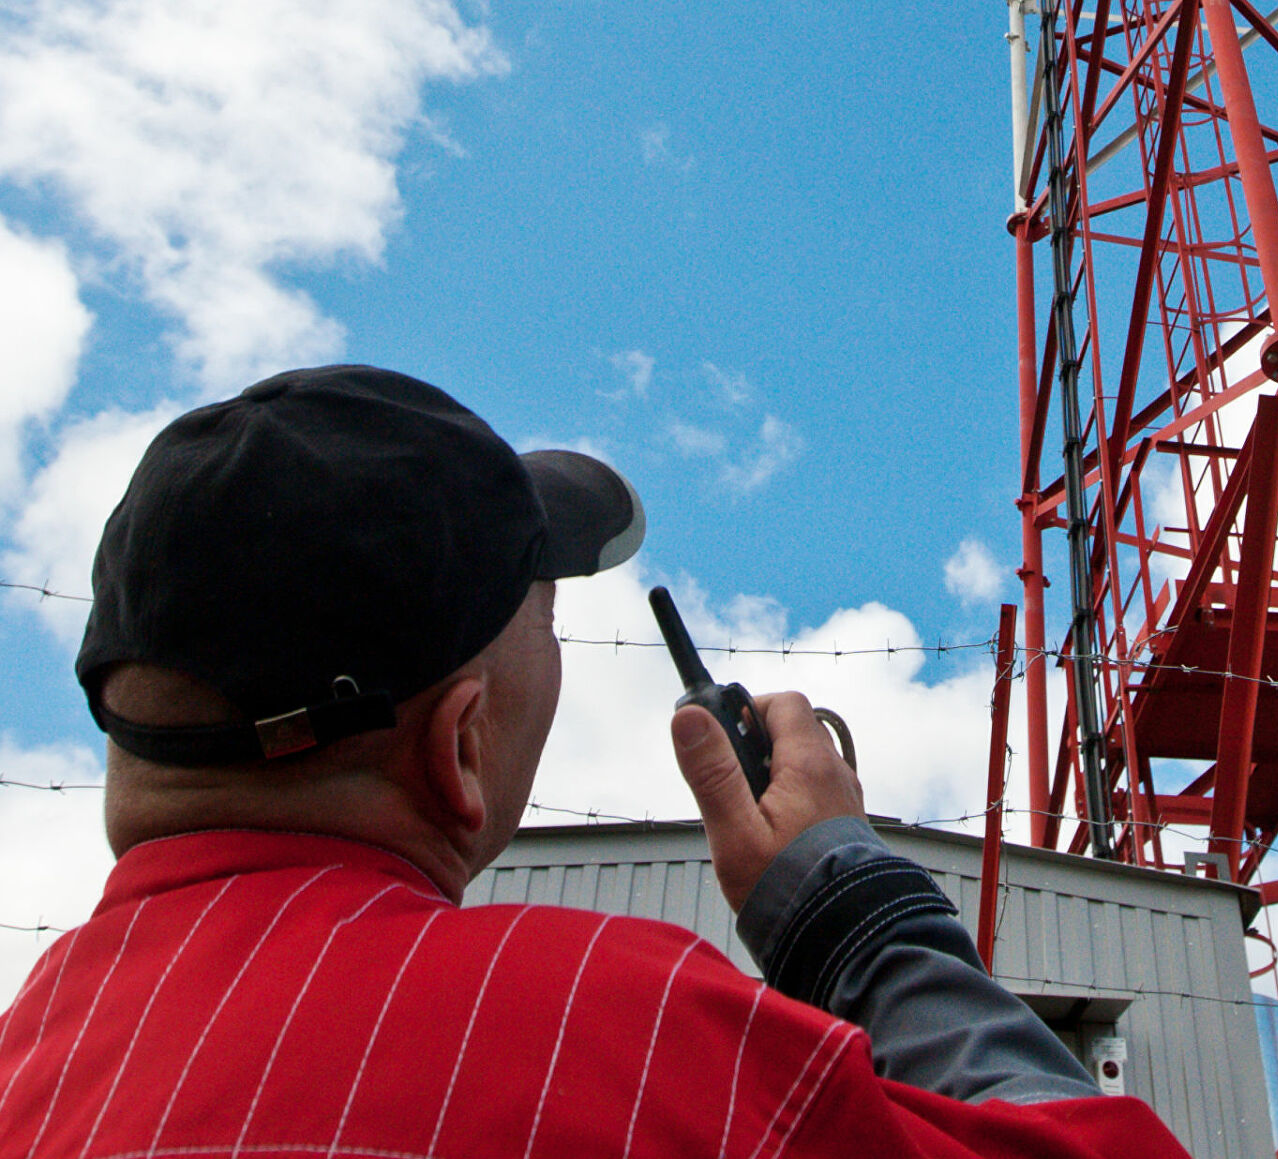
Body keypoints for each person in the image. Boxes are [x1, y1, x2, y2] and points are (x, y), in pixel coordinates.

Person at [0, 366, 1189, 1159]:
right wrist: (852, 909)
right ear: (459, 747)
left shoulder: (27, 1068)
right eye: (545, 616)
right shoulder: (613, 1027)